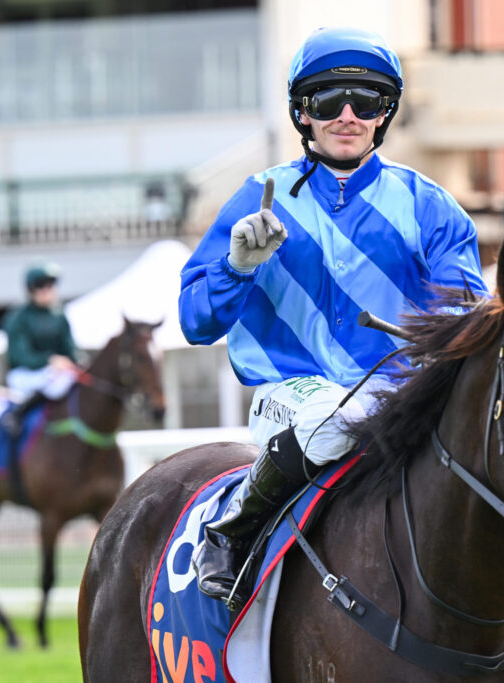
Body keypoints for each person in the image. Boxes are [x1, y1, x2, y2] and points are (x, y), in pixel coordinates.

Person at [178, 26, 488, 608]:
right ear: (303, 113)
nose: (347, 115)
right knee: (335, 411)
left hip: (401, 395)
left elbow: (467, 312)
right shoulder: (257, 196)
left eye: (365, 101)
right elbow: (195, 322)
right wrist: (236, 266)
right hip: (290, 396)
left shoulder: (429, 206)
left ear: (383, 115)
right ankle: (233, 529)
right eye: (328, 100)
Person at [0, 262, 79, 438]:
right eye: (41, 286)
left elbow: (70, 349)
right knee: (53, 386)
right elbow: (20, 355)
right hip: (25, 374)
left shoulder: (59, 316)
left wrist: (77, 362)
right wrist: (50, 360)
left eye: (51, 285)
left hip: (56, 372)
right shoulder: (18, 318)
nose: (47, 290)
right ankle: (14, 417)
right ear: (31, 290)